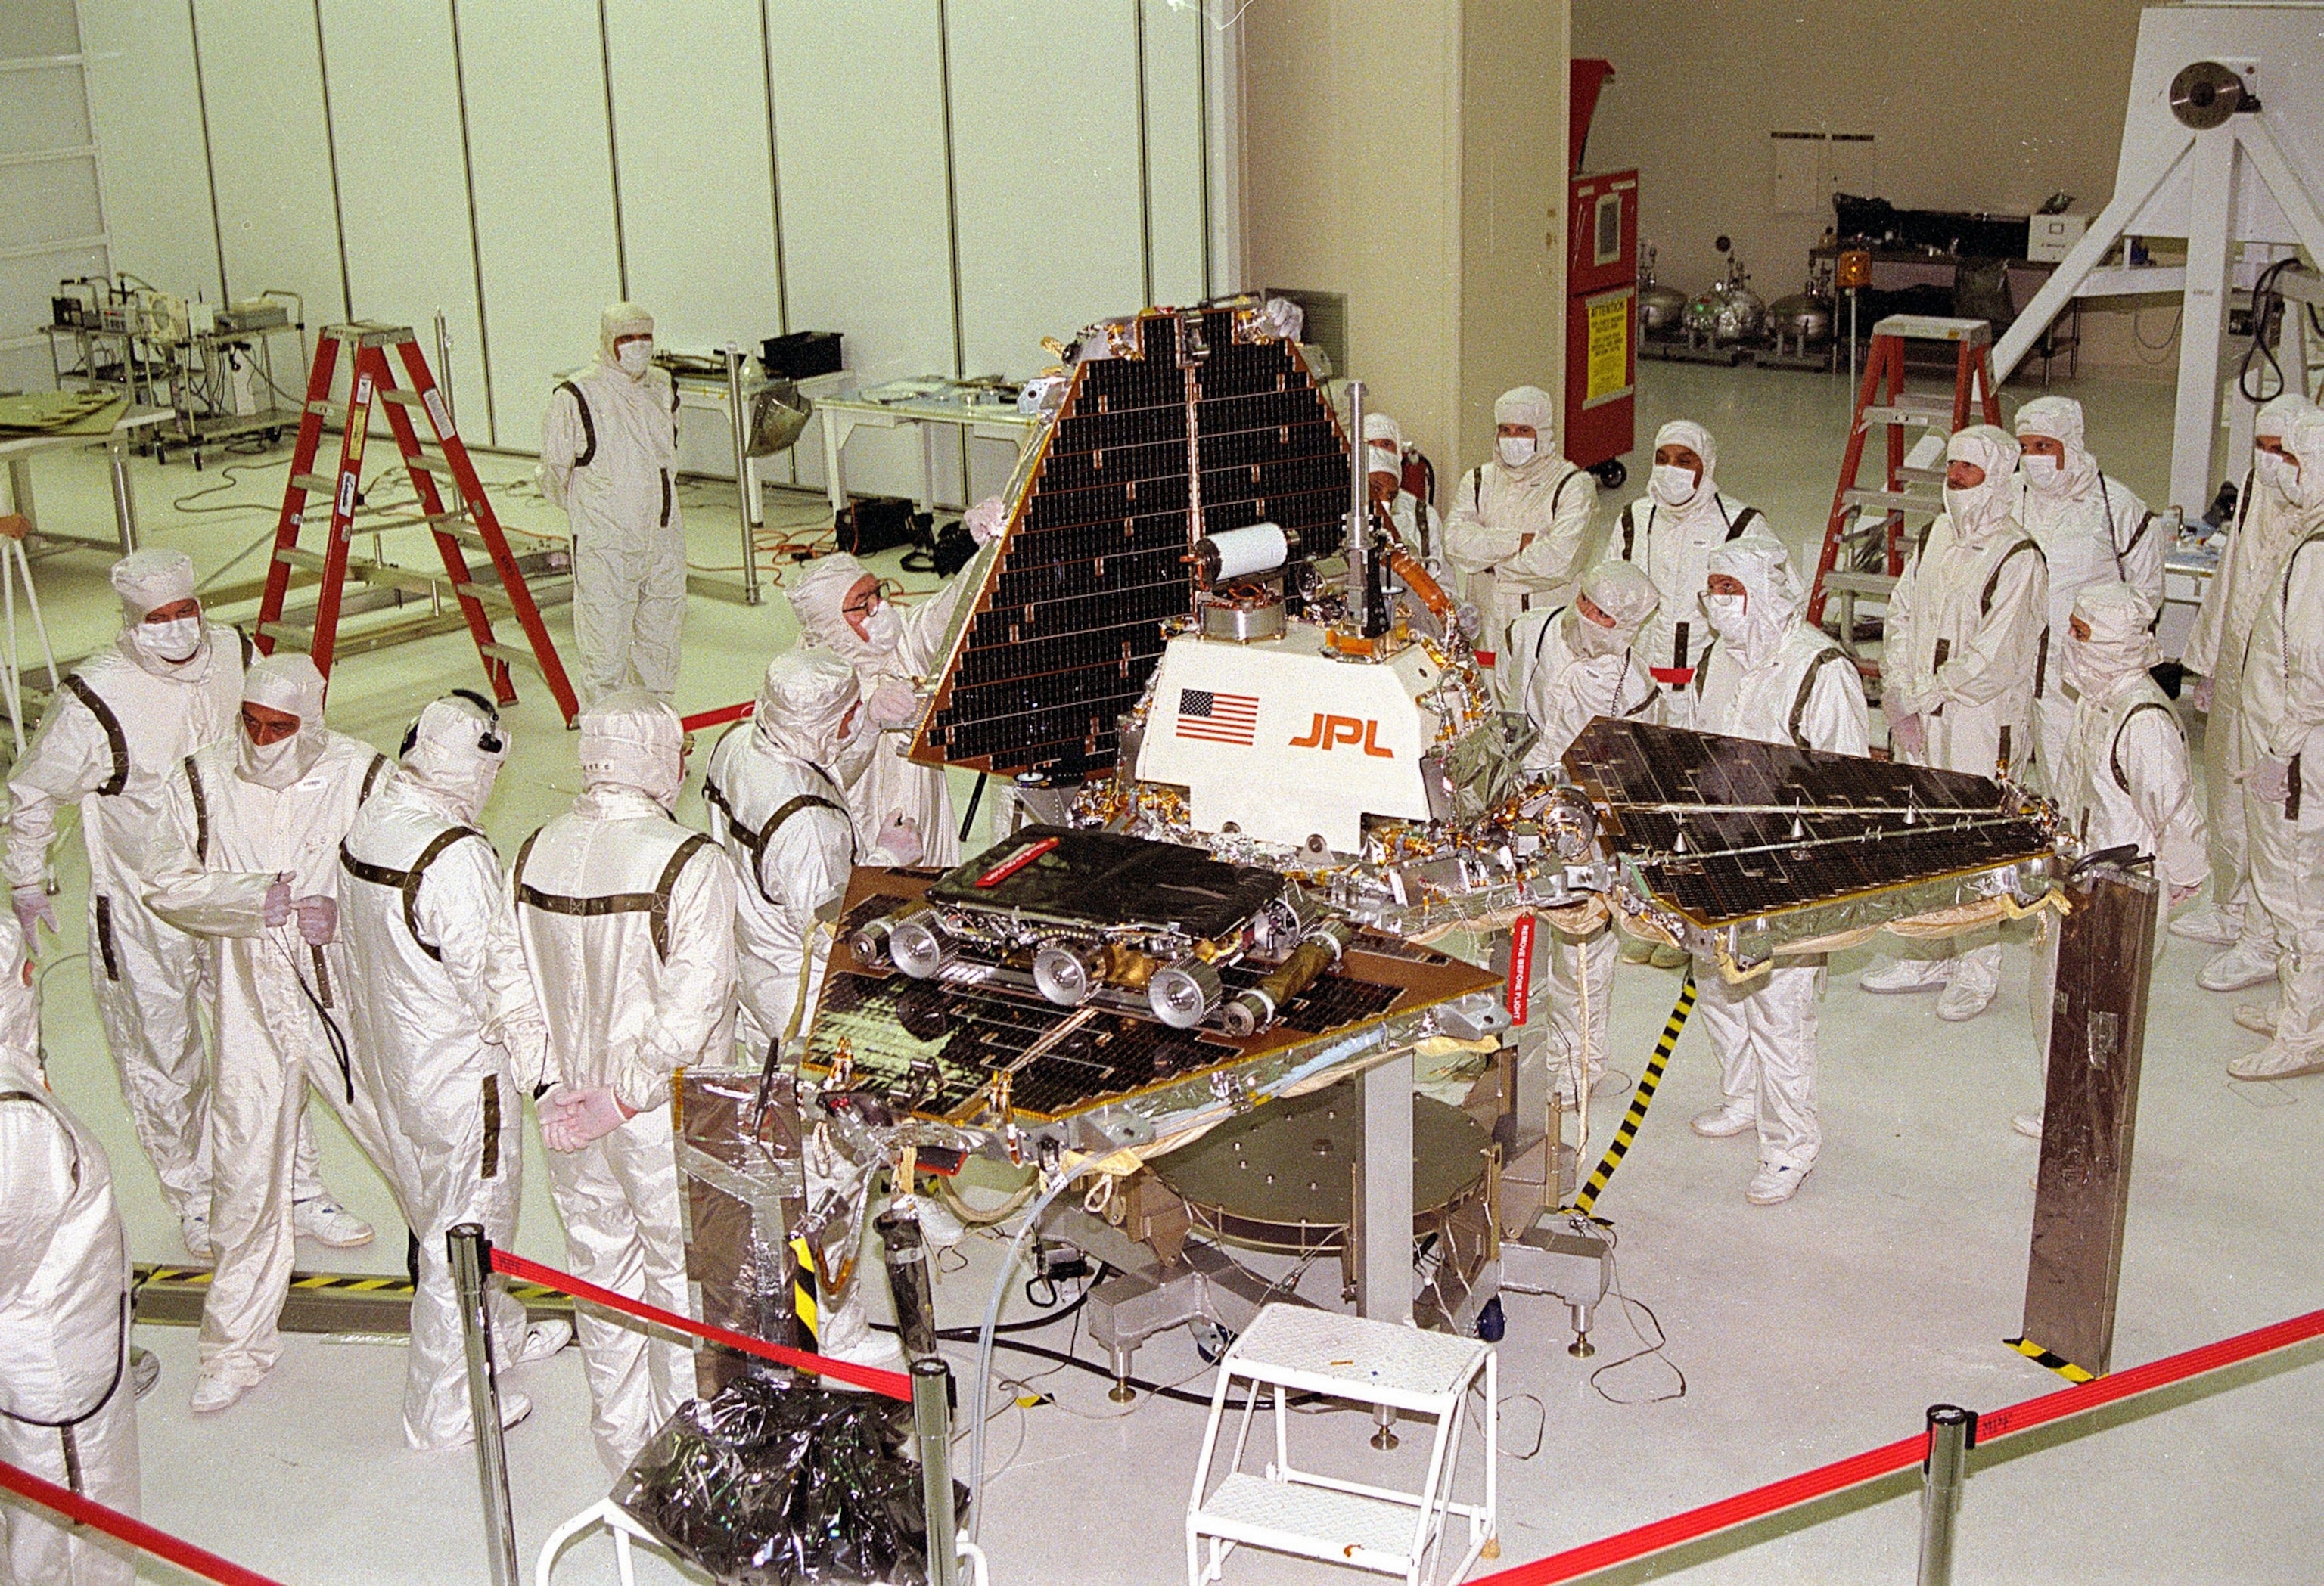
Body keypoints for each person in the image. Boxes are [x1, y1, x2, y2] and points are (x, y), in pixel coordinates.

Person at [140, 655, 387, 1415]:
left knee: (412, 1153)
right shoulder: (200, 778)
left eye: (279, 727)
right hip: (247, 985)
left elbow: (407, 873)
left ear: (312, 720)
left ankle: (490, 1323)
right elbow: (163, 879)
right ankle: (233, 1350)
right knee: (246, 1171)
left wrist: (342, 914)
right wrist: (250, 900)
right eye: (249, 722)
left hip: (340, 991)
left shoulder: (363, 773)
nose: (260, 738)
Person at [512, 691, 738, 1473]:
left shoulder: (534, 848)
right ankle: (686, 1458)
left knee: (600, 1276)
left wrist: (548, 1087)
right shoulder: (687, 861)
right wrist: (625, 1096)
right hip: (657, 1117)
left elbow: (510, 988)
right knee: (682, 1282)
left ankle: (621, 1444)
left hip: (568, 1117)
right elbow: (694, 1002)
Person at [337, 694, 570, 1449]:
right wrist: (548, 1078)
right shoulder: (455, 857)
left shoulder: (376, 814)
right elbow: (498, 982)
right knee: (461, 1229)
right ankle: (441, 1410)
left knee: (444, 1211)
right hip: (462, 1075)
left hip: (397, 1061)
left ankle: (494, 1342)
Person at [1682, 535, 1869, 1204]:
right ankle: (1739, 1097)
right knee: (1716, 985)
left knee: (1779, 1009)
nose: (1718, 602)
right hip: (1720, 853)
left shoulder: (1819, 669)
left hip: (1789, 866)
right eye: (1713, 589)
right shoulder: (1717, 659)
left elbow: (1847, 789)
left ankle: (1790, 1144)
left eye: (1731, 589)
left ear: (1765, 592)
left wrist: (1815, 878)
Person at [1863, 424, 2049, 1021]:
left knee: (1976, 842)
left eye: (1968, 471)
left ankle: (1976, 966)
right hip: (1922, 716)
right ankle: (1927, 948)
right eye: (1952, 470)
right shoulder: (1937, 534)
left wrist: (1927, 694)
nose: (1956, 481)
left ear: (1996, 479)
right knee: (1923, 832)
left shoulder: (2018, 557)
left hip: (1976, 722)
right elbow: (1902, 611)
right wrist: (1897, 690)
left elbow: (1997, 658)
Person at [2018, 582, 2207, 1135]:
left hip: (2120, 893)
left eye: (2081, 636)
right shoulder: (2098, 700)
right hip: (2079, 879)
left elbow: (2175, 812)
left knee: (2099, 1019)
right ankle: (2065, 1104)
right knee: (2057, 999)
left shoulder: (2141, 719)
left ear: (2113, 647)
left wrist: (2183, 881)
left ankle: (2088, 1130)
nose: (2070, 646)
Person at [0, 915, 140, 1585]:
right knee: (77, 1525)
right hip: (54, 1379)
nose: (35, 982)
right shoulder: (15, 1121)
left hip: (54, 1350)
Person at [2176, 393, 2321, 993]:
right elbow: (2231, 573)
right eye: (2260, 449)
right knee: (2226, 789)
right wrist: (2208, 664)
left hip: (2288, 692)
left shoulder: (2315, 522)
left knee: (2274, 821)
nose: (2268, 463)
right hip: (2242, 668)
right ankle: (2233, 903)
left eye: (2281, 451)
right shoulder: (2263, 497)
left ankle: (2266, 936)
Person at [1501, 561, 1661, 1103]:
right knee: (1506, 939)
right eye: (1586, 604)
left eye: (1606, 617)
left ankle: (1579, 1067)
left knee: (1582, 954)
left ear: (1630, 627)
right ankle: (1499, 1055)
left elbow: (1633, 767)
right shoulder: (1532, 632)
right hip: (1516, 804)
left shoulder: (1634, 684)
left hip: (1581, 823)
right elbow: (1505, 703)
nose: (1589, 619)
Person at [787, 534, 997, 872]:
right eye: (861, 604)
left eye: (877, 592)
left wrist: (988, 546)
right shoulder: (809, 689)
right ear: (831, 622)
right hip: (861, 837)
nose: (879, 608)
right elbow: (816, 781)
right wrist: (867, 720)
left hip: (925, 824)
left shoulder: (903, 641)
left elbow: (954, 610)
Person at [2226, 407, 2324, 1083]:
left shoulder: (2317, 551)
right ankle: (2307, 1006)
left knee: (2293, 888)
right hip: (2289, 744)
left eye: (2286, 455)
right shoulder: (2306, 532)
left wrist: (2278, 751)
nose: (2274, 469)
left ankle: (2303, 1032)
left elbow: (2314, 670)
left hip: (2296, 756)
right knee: (2291, 879)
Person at [706, 652, 862, 1055]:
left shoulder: (736, 743)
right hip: (806, 1003)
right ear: (820, 725)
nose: (858, 717)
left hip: (756, 971)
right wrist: (888, 858)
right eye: (852, 711)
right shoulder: (809, 825)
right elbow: (833, 932)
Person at [2012, 396, 2165, 787]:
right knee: (1999, 781)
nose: (2033, 458)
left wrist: (2106, 663)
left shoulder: (2117, 507)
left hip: (2076, 678)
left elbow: (2144, 597)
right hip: (2008, 669)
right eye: (2025, 447)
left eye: (2044, 446)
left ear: (2071, 444)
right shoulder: (2007, 496)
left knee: (2072, 784)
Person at [541, 302, 685, 706]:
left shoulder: (662, 386)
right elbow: (555, 470)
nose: (638, 347)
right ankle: (608, 741)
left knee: (661, 645)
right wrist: (596, 511)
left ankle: (657, 732)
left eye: (645, 337)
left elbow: (668, 455)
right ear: (607, 342)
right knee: (604, 649)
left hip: (663, 537)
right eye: (627, 339)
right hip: (606, 542)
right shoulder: (579, 394)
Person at [1603, 419, 1773, 709]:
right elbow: (1605, 594)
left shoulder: (1740, 525)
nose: (1671, 469)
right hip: (1636, 685)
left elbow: (1777, 608)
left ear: (1706, 466)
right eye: (1662, 459)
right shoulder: (1634, 518)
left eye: (1685, 460)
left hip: (1708, 691)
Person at [1443, 384, 1597, 660]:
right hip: (1487, 626)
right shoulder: (1478, 480)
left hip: (1544, 631)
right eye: (1506, 430)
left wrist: (1489, 562)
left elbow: (1559, 562)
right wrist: (1518, 542)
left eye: (1524, 431)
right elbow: (1455, 544)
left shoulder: (1573, 486)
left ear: (1543, 433)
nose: (1513, 439)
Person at [1360, 413, 1443, 562]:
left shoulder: (1424, 516)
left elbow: (1442, 581)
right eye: (1369, 445)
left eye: (1386, 445)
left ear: (1398, 453)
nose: (1378, 453)